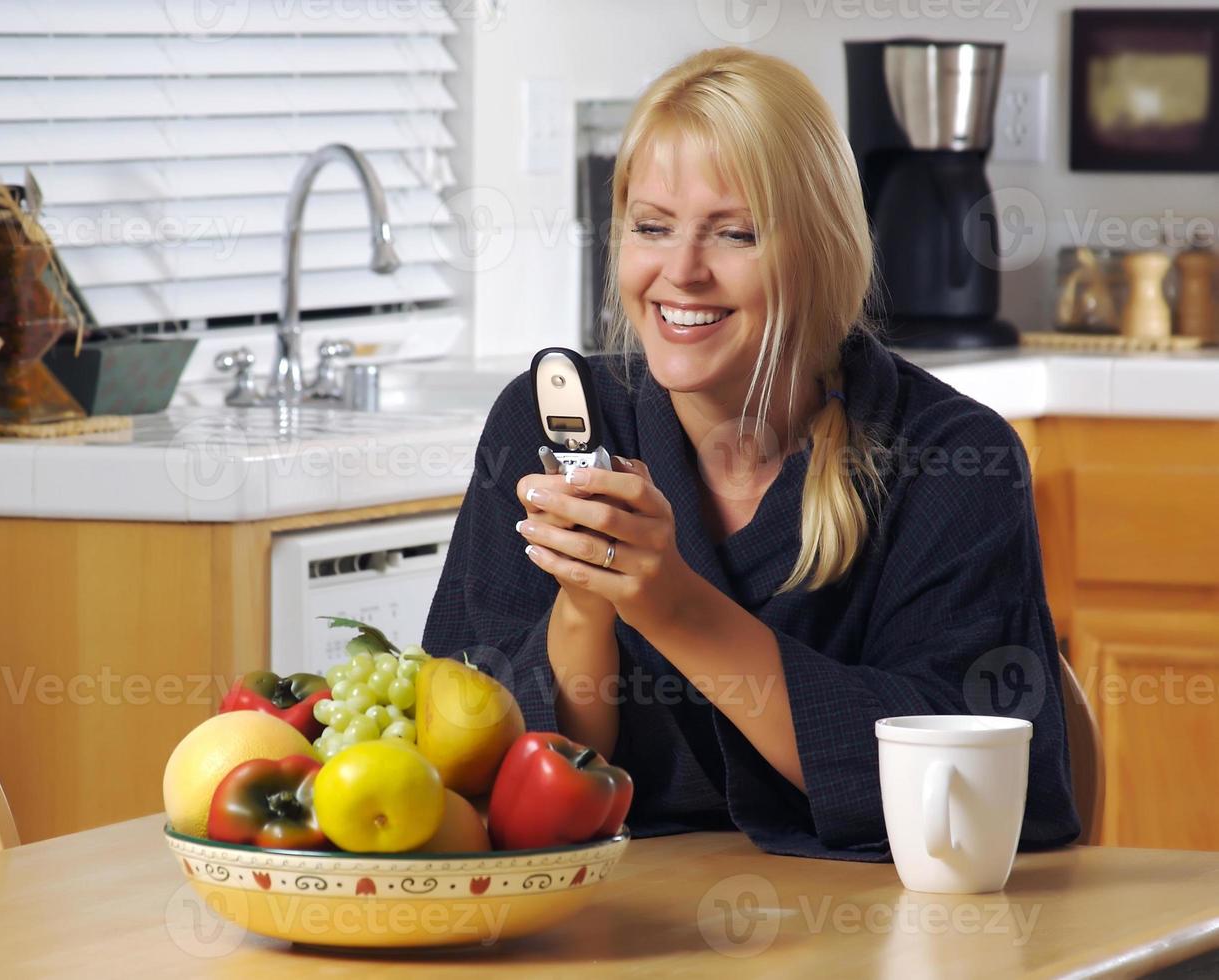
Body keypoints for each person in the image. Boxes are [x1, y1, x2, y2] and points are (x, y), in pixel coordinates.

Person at [422, 47, 1080, 860]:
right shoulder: (546, 424)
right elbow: (475, 773)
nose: (682, 272)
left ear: (820, 249)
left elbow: (968, 787)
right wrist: (586, 603)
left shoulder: (952, 460)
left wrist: (672, 604)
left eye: (734, 234)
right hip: (611, 934)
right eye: (652, 228)